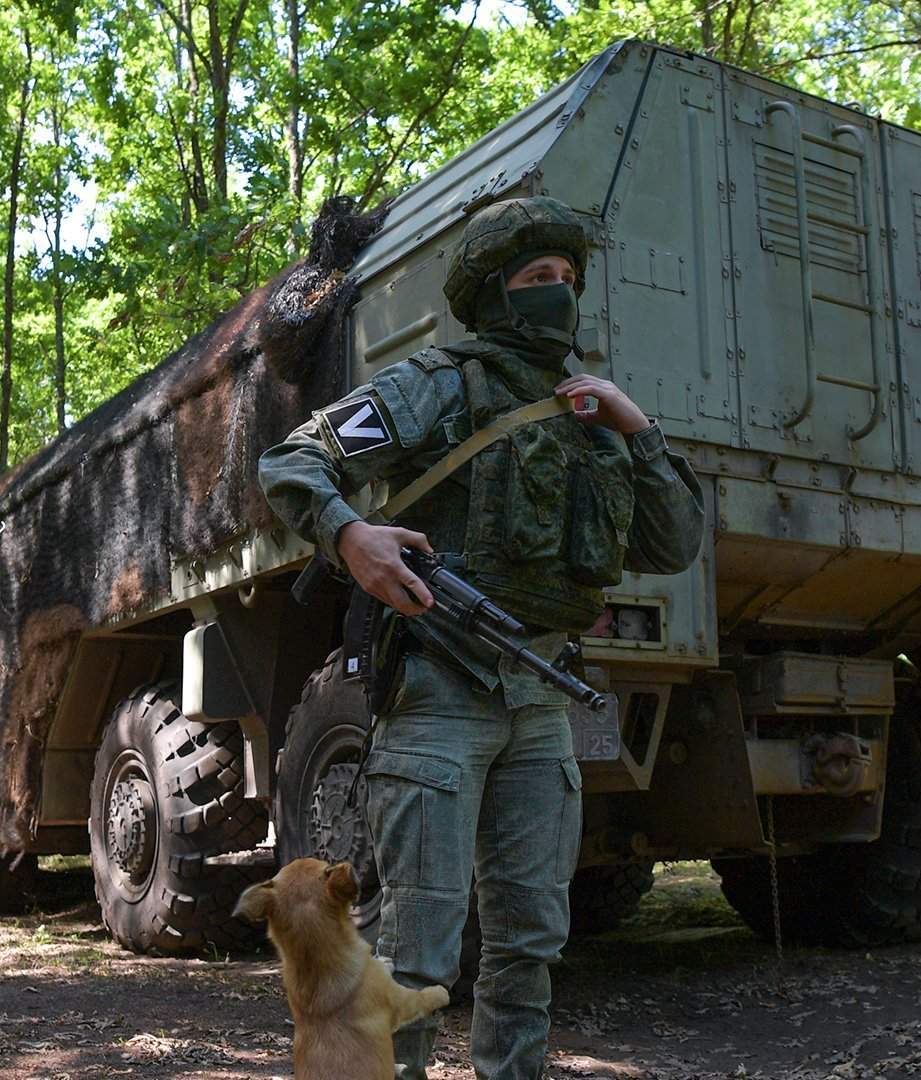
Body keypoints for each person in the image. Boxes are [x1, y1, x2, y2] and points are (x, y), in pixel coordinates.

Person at [257, 195, 706, 1079]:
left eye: (569, 280)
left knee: (530, 946)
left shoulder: (591, 415)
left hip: (542, 699)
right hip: (439, 695)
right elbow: (295, 459)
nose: (559, 295)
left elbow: (677, 541)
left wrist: (636, 427)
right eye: (538, 279)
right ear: (496, 294)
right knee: (418, 953)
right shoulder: (440, 385)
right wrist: (352, 535)